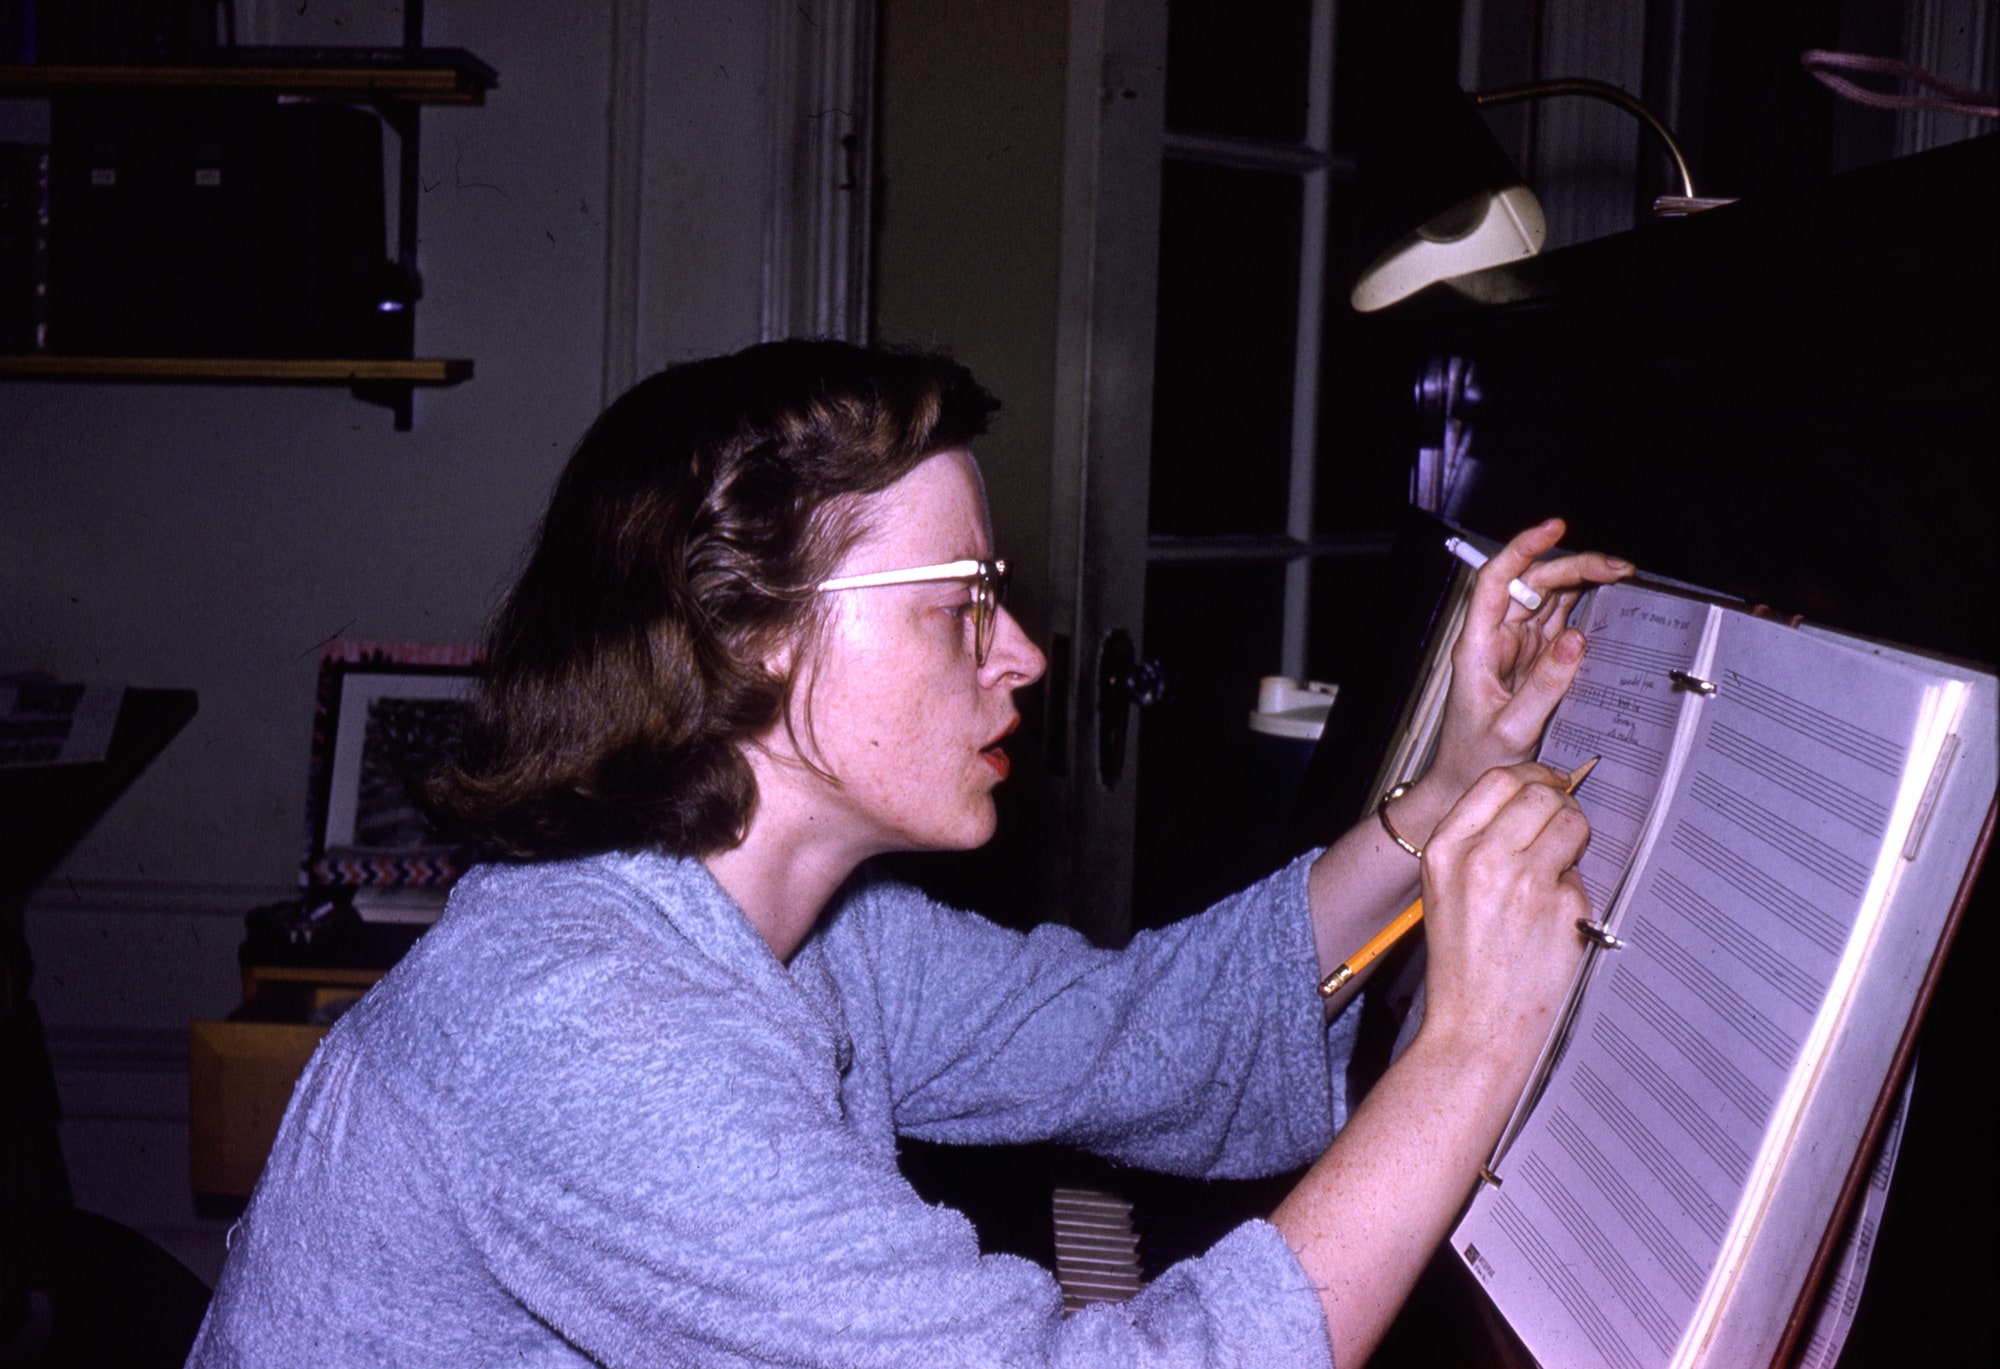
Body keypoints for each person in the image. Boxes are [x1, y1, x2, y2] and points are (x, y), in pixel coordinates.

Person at [187, 340, 1632, 1367]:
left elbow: (1134, 1029)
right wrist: (1474, 1045)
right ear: (750, 634)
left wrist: (1441, 796)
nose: (1024, 653)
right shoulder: (590, 1033)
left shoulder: (792, 917)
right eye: (959, 603)